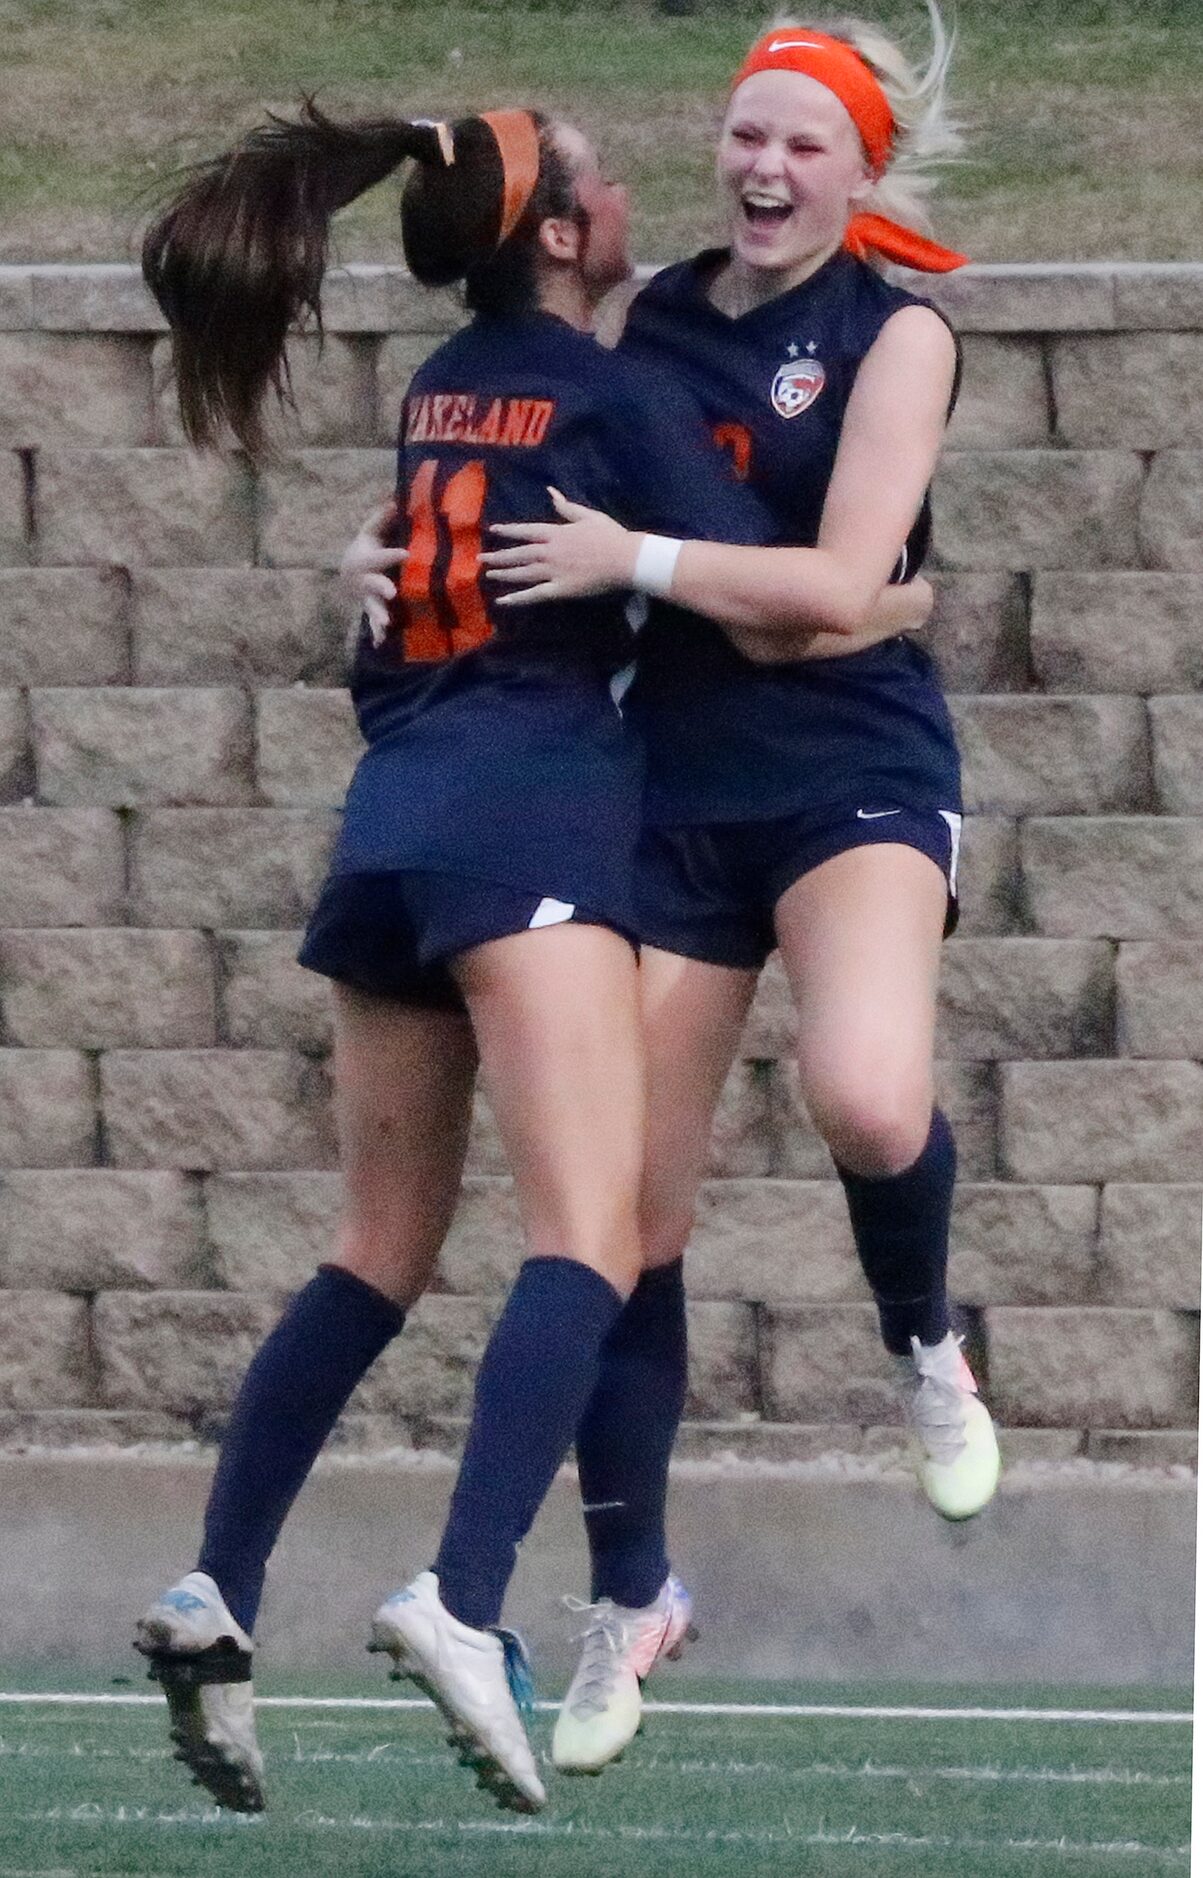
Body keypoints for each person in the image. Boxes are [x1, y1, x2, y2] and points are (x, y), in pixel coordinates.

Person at [130, 96, 923, 1818]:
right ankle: (465, 1594)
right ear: (559, 231)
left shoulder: (439, 388)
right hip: (527, 828)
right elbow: (792, 594)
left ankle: (217, 1587)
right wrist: (900, 598)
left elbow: (416, 579)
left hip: (387, 830)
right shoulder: (621, 395)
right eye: (600, 175)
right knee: (595, 1231)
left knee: (371, 1254)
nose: (637, 189)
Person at [469, 5, 1002, 1775]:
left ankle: (926, 1340)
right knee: (624, 1213)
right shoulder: (656, 321)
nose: (766, 170)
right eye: (747, 137)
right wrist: (398, 547)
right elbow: (560, 528)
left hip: (849, 764)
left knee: (866, 1093)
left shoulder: (898, 332)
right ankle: (635, 1590)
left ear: (862, 173)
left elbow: (849, 586)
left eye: (806, 146)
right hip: (676, 783)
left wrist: (667, 561)